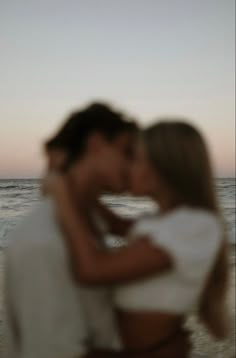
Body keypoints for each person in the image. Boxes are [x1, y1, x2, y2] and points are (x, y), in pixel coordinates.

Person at [4, 103, 189, 358]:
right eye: (127, 151)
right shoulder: (43, 240)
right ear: (96, 144)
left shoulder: (89, 223)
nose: (134, 165)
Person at [48, 120, 230, 357]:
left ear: (162, 168)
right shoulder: (161, 221)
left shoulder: (194, 225)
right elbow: (116, 224)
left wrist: (61, 195)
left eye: (134, 158)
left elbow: (91, 270)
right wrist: (82, 188)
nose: (127, 165)